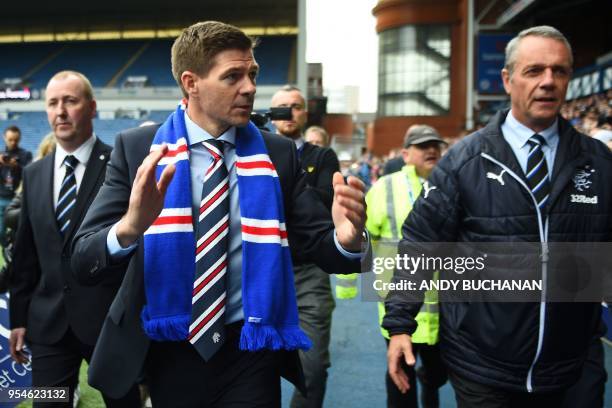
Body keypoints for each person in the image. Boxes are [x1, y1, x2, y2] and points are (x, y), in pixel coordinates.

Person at [71, 21, 367, 408]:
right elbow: (83, 257)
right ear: (191, 83)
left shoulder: (278, 154)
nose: (250, 87)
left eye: (252, 74)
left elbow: (321, 247)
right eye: (233, 76)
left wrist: (346, 239)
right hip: (168, 347)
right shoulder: (138, 149)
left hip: (250, 347)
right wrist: (129, 227)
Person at [384, 25, 612, 407]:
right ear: (507, 80)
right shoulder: (463, 162)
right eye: (534, 70)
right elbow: (421, 244)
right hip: (482, 366)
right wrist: (399, 325)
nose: (548, 82)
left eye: (559, 71)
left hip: (572, 365)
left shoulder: (599, 163)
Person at [8, 71, 140, 407]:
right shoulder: (34, 173)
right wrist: (19, 319)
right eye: (53, 103)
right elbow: (26, 256)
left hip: (111, 323)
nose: (61, 111)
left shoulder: (120, 164)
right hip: (48, 325)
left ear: (92, 107)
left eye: (70, 100)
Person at [366, 125, 447, 408]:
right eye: (423, 146)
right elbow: (364, 236)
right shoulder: (384, 187)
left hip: (445, 305)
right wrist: (350, 284)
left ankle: (431, 381)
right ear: (405, 154)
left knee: (439, 373)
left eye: (436, 145)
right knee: (400, 378)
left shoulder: (453, 183)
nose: (432, 150)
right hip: (400, 301)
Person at [271, 85, 340, 407]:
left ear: (305, 112)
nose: (289, 113)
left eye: (295, 106)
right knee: (254, 369)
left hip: (309, 272)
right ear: (271, 115)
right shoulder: (253, 151)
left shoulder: (322, 156)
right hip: (263, 269)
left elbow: (325, 205)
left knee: (312, 369)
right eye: (281, 107)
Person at [0, 125, 32, 243]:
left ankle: (15, 254)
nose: (13, 142)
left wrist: (16, 166)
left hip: (18, 198)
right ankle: (7, 251)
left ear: (20, 139)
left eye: (16, 140)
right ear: (4, 138)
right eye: (10, 139)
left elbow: (30, 174)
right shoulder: (1, 155)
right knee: (0, 232)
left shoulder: (25, 155)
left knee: (19, 231)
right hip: (2, 197)